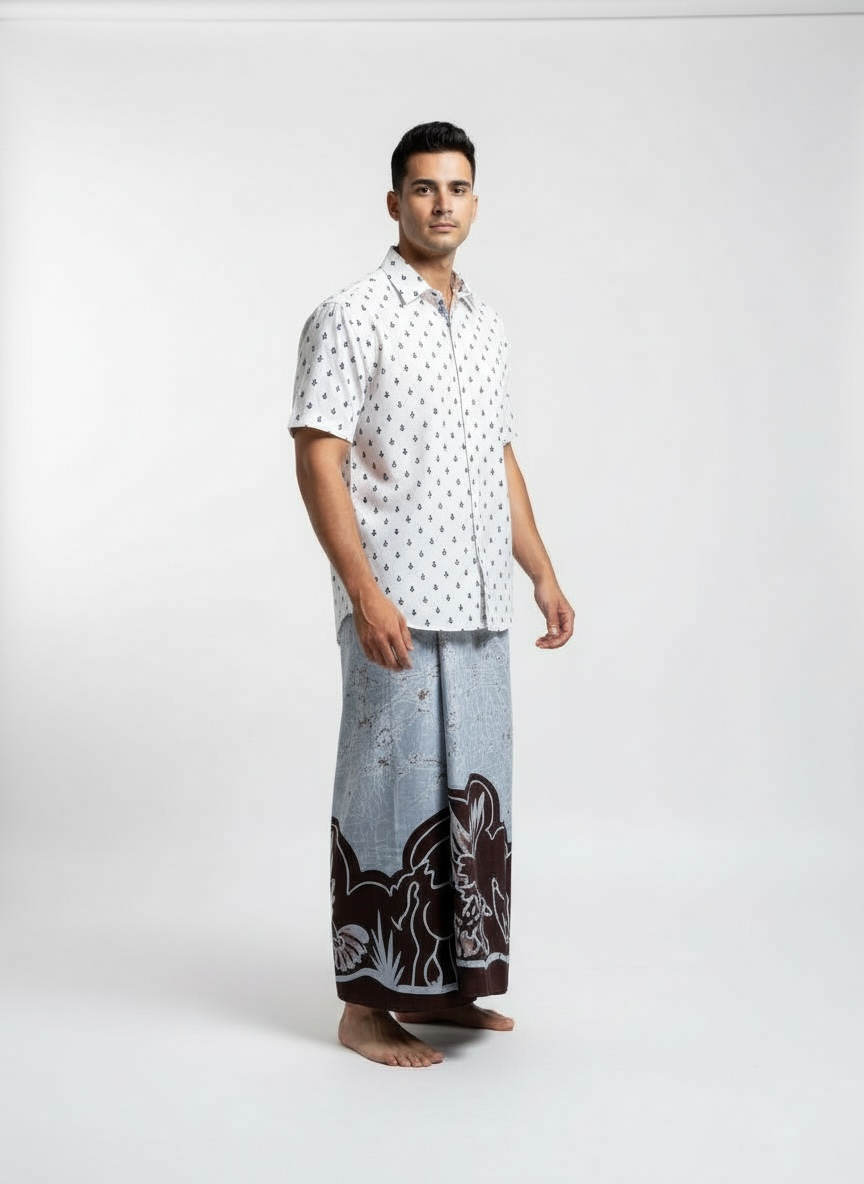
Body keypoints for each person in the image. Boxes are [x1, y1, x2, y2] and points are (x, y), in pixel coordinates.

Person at [290, 121, 573, 1068]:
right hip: (399, 602)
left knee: (471, 802)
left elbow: (499, 458)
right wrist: (362, 592)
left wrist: (541, 571)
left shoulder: (487, 325)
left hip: (482, 600)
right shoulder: (350, 314)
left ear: (475, 204)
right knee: (389, 796)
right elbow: (318, 457)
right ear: (395, 202)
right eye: (423, 188)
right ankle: (367, 1007)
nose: (441, 203)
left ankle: (450, 988)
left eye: (456, 188)